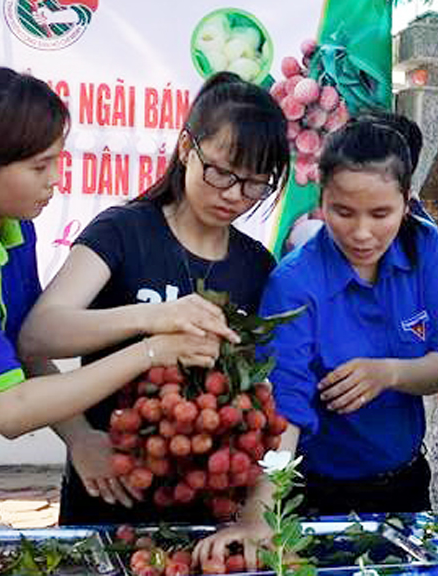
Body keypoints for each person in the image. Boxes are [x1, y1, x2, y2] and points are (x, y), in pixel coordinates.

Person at [0, 67, 220, 530]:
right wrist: (150, 347)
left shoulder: (10, 229)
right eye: (39, 166)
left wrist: (80, 436)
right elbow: (10, 409)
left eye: (57, 160)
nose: (55, 180)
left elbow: (24, 345)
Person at [17, 71, 290, 525]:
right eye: (221, 172)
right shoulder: (124, 231)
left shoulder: (257, 265)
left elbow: (267, 391)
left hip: (208, 504)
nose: (234, 195)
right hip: (108, 490)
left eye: (254, 183)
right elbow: (37, 337)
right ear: (186, 148)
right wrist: (80, 438)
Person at [193, 113, 438, 566]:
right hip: (317, 495)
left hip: (405, 486)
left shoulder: (426, 248)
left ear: (406, 202)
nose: (362, 233)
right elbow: (285, 409)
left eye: (381, 214)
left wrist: (391, 373)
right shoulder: (295, 284)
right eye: (343, 212)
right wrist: (263, 511)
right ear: (321, 201)